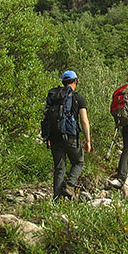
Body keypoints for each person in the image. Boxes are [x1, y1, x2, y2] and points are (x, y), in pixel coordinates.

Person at [45, 70, 91, 199]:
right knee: (79, 162)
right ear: (75, 81)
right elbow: (84, 120)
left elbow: (46, 116)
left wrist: (48, 136)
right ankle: (69, 186)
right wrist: (88, 141)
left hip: (54, 136)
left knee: (59, 168)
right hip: (70, 135)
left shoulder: (54, 96)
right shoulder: (78, 97)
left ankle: (56, 198)